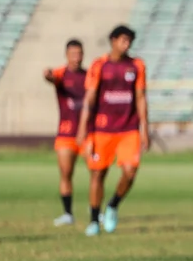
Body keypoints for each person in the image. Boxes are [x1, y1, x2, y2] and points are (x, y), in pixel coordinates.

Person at [76, 26, 148, 236]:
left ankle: (113, 205)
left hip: (129, 128)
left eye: (129, 41)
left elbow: (141, 97)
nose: (126, 45)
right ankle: (93, 221)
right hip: (102, 129)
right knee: (97, 174)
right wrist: (83, 128)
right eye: (123, 40)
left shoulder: (137, 65)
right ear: (113, 40)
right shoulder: (100, 65)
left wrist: (145, 129)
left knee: (130, 171)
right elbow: (89, 98)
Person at [44, 39, 88, 227]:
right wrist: (47, 75)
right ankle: (68, 213)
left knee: (97, 172)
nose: (76, 58)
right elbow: (52, 78)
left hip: (87, 134)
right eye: (73, 54)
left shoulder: (89, 76)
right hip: (66, 133)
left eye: (79, 54)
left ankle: (96, 210)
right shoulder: (61, 74)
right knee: (66, 173)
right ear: (66, 55)